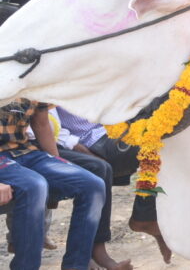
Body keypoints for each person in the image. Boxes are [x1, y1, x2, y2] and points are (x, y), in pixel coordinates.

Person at [0, 98, 106, 270]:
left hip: (24, 151)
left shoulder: (32, 82)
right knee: (34, 186)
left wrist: (58, 164)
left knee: (93, 185)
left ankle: (76, 265)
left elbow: (41, 124)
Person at [56, 107, 170, 264]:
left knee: (166, 132)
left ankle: (149, 217)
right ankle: (146, 217)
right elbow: (47, 123)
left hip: (113, 127)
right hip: (89, 140)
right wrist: (77, 147)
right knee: (155, 145)